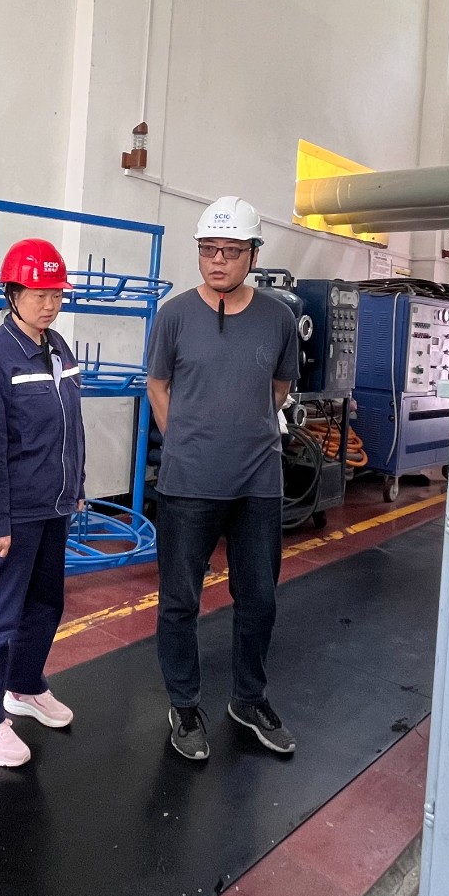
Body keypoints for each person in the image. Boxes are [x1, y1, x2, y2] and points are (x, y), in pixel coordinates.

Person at [146, 195, 300, 762]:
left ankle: (248, 699)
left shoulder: (278, 318)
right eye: (208, 249)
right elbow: (157, 384)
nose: (217, 260)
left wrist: (245, 429)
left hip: (258, 482)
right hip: (187, 483)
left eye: (231, 251)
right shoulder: (174, 315)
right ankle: (184, 705)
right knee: (179, 601)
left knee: (258, 598)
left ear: (253, 255)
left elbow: (279, 388)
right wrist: (185, 439)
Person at [0, 238, 86, 768]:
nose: (49, 304)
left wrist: (77, 486)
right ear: (12, 294)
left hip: (54, 506)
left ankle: (25, 685)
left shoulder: (58, 347)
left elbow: (71, 426)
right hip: (14, 514)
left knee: (45, 605)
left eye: (56, 294)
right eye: (38, 294)